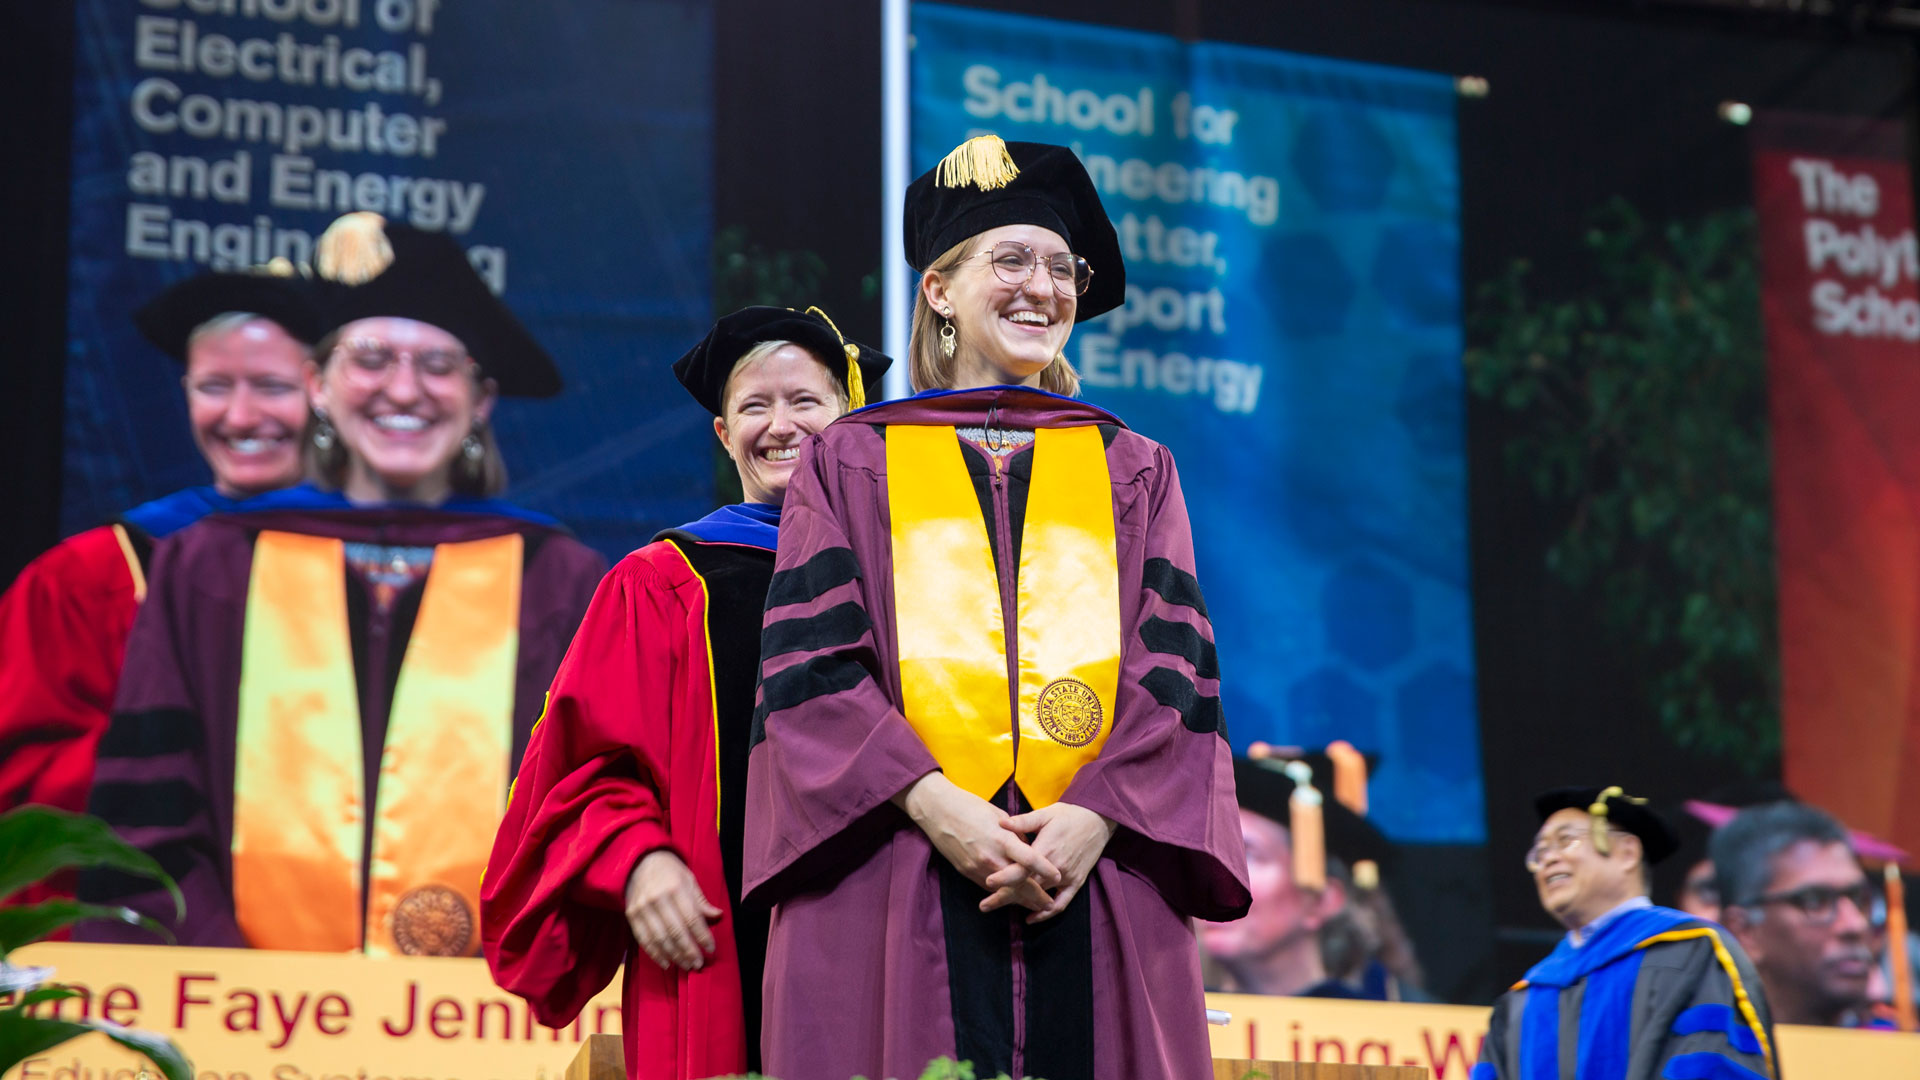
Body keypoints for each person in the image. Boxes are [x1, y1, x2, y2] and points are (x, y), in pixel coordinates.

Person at [744, 135, 1250, 1080]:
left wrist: (1092, 817)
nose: (1042, 287)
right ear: (939, 289)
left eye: (1062, 267)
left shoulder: (1133, 468)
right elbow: (811, 669)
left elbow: (1173, 674)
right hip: (897, 856)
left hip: (1095, 873)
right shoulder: (852, 460)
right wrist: (940, 806)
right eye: (1010, 258)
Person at [79, 212, 606, 955]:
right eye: (371, 358)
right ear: (318, 384)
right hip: (238, 1028)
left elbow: (583, 813)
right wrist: (242, 1001)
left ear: (480, 400)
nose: (403, 389)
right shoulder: (211, 565)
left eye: (437, 365)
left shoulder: (556, 580)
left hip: (492, 1021)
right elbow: (152, 820)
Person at [480, 306, 889, 1079]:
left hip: (884, 941)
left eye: (806, 401)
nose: (780, 425)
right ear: (722, 433)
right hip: (718, 936)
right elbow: (582, 764)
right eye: (753, 406)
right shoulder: (665, 581)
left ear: (849, 418)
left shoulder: (909, 577)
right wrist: (635, 860)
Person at [0, 268, 319, 906]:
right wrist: (187, 756)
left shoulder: (395, 567)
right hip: (143, 936)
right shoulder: (94, 576)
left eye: (273, 387)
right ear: (185, 394)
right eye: (214, 387)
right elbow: (22, 792)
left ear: (328, 394)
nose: (241, 415)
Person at [1473, 786, 1777, 1080]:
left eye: (1565, 840)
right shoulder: (1523, 1001)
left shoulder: (1693, 953)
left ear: (1627, 853)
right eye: (1540, 852)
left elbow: (1711, 1067)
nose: (1549, 859)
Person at [1201, 752, 1417, 1000]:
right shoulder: (1172, 1020)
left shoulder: (1407, 1028)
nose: (1210, 877)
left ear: (1321, 901)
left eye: (1248, 855)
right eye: (1209, 853)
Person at [1713, 800, 1886, 1029]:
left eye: (1858, 899)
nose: (1855, 925)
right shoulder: (1705, 1057)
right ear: (1744, 932)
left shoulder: (1901, 1053)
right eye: (1815, 901)